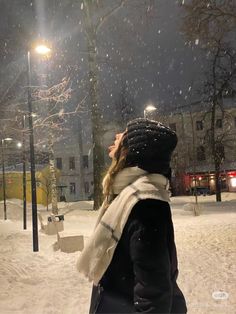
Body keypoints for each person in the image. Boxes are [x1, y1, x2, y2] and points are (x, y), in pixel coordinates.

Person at [77, 118, 187, 313]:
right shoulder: (127, 197)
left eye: (124, 135)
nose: (117, 136)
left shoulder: (145, 204)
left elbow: (153, 295)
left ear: (132, 152)